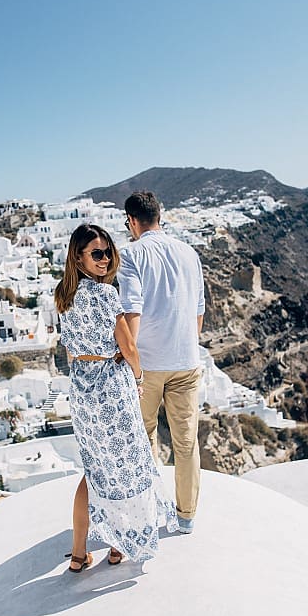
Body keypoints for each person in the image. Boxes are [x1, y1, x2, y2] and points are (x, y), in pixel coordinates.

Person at [55, 223, 178, 572]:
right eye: (97, 253)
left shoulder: (62, 297)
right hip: (111, 387)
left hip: (82, 388)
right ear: (78, 259)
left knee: (95, 470)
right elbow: (129, 347)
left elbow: (69, 348)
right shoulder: (107, 296)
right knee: (126, 468)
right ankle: (118, 546)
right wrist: (138, 377)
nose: (106, 259)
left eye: (108, 251)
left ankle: (79, 555)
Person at [118, 190, 205, 533]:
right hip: (187, 361)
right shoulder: (189, 252)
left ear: (133, 221)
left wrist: (131, 361)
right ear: (160, 215)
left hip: (149, 366)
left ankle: (150, 512)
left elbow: (132, 312)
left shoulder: (131, 255)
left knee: (144, 438)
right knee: (186, 442)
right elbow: (198, 313)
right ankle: (186, 518)